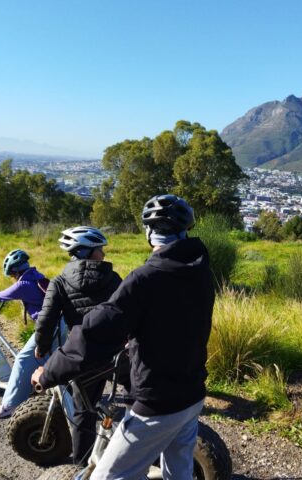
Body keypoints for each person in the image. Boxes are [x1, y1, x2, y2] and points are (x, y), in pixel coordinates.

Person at [32, 194, 214, 479]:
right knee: (178, 473)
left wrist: (48, 372)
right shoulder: (200, 270)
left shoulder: (144, 279)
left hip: (156, 405)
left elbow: (95, 332)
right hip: (191, 394)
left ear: (148, 233)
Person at [33, 226, 122, 466]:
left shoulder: (60, 282)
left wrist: (41, 346)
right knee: (137, 401)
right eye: (99, 249)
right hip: (117, 354)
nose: (103, 254)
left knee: (84, 412)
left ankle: (82, 466)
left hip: (81, 355)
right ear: (87, 251)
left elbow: (46, 319)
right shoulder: (113, 278)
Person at [0, 249, 60, 419]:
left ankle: (10, 405)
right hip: (61, 323)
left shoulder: (23, 285)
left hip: (49, 327)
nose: (13, 279)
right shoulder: (38, 277)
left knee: (22, 359)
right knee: (50, 358)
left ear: (14, 271)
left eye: (12, 276)